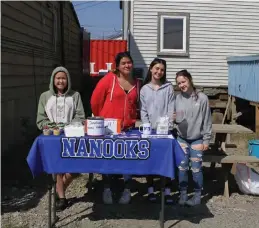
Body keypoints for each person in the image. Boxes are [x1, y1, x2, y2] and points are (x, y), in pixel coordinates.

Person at [90, 51, 140, 204]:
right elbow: (95, 101)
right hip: (110, 128)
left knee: (128, 159)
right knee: (108, 159)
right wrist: (103, 118)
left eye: (129, 62)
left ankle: (127, 190)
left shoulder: (137, 83)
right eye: (123, 63)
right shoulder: (109, 79)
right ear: (117, 66)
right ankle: (107, 189)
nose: (127, 65)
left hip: (128, 129)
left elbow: (137, 104)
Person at [36, 66, 85, 211]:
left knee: (74, 168)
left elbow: (80, 116)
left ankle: (58, 189)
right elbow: (40, 119)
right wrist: (53, 126)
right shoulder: (45, 96)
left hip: (72, 135)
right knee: (58, 167)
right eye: (58, 78)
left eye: (63, 78)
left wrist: (68, 125)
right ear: (53, 80)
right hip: (52, 137)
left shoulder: (75, 95)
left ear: (68, 80)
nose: (61, 81)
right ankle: (62, 197)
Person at [174, 69, 212, 206]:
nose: (181, 85)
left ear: (189, 79)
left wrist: (207, 139)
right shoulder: (177, 98)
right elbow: (175, 118)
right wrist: (173, 119)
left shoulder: (202, 98)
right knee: (182, 167)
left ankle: (197, 196)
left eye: (183, 81)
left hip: (197, 139)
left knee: (196, 168)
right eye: (178, 83)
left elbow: (207, 120)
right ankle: (183, 194)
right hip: (181, 139)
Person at [140, 58, 175, 204]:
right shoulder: (144, 89)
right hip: (150, 132)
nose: (159, 72)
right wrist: (147, 126)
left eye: (162, 69)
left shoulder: (168, 87)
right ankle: (150, 190)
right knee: (150, 160)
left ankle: (166, 191)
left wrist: (167, 126)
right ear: (151, 69)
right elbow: (143, 110)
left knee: (166, 161)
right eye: (157, 68)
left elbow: (171, 108)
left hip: (165, 131)